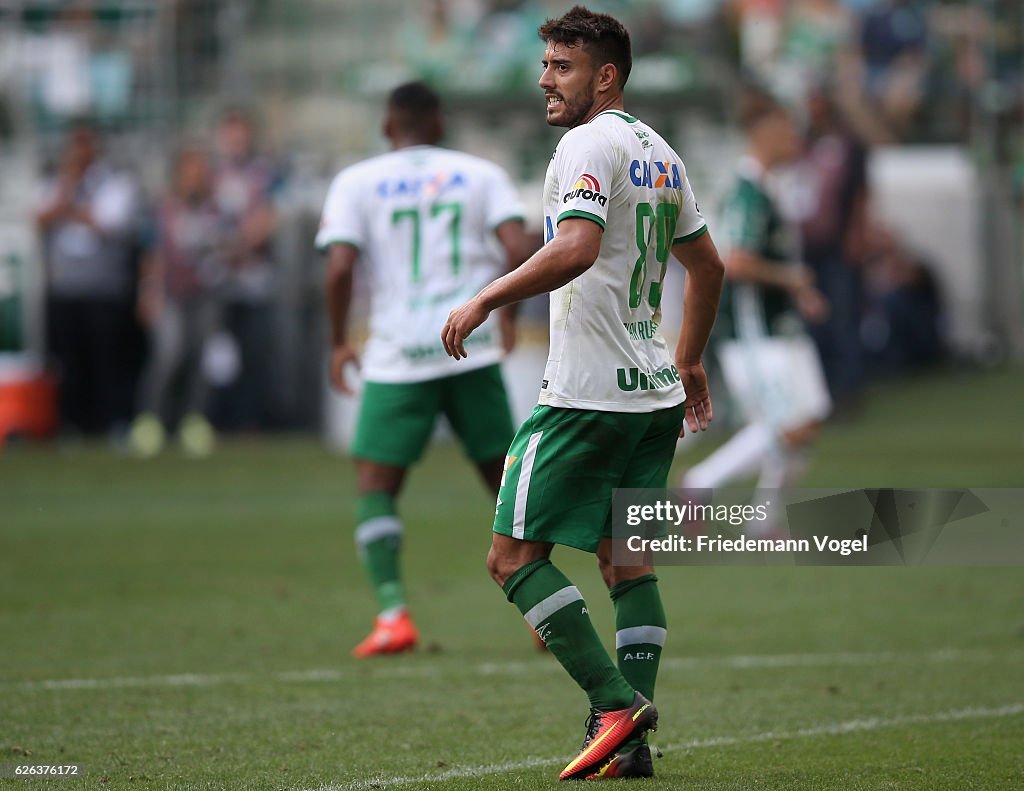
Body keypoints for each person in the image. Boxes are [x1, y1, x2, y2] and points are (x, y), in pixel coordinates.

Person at [441, 7, 724, 780]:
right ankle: (631, 748)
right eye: (545, 64)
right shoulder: (660, 150)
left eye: (561, 66)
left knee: (510, 557)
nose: (544, 79)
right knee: (626, 565)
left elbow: (577, 245)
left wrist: (486, 298)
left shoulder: (586, 143)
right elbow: (708, 267)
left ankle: (613, 703)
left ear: (605, 76)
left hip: (585, 397)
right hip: (653, 396)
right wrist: (689, 359)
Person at [316, 81, 533, 658]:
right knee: (505, 484)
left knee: (376, 486)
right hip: (471, 343)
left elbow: (339, 268)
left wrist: (339, 341)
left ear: (388, 126)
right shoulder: (480, 173)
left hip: (396, 354)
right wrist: (504, 311)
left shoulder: (355, 181)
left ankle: (393, 614)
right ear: (439, 124)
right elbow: (521, 245)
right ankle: (544, 614)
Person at [680, 96, 830, 523]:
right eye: (785, 132)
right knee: (786, 424)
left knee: (806, 420)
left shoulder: (768, 189)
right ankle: (702, 483)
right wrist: (792, 279)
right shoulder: (747, 192)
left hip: (779, 326)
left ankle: (763, 520)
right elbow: (738, 260)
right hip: (754, 330)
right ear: (762, 135)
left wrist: (798, 291)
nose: (793, 141)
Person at [34, 121, 142, 438]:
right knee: (69, 362)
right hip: (66, 288)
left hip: (104, 290)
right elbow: (40, 217)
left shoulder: (114, 183)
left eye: (86, 144)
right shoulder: (54, 182)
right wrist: (67, 192)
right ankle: (72, 424)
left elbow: (110, 223)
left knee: (107, 361)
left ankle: (113, 422)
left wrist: (72, 208)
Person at [131, 145, 227, 457]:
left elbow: (227, 249)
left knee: (201, 359)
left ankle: (193, 421)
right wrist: (149, 291)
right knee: (169, 354)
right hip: (171, 293)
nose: (195, 178)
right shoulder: (164, 209)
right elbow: (151, 253)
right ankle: (151, 420)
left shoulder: (215, 210)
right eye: (190, 171)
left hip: (206, 293)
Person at [211, 108, 281, 430]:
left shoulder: (264, 173)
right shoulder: (215, 174)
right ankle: (219, 419)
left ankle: (251, 421)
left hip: (254, 278)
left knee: (255, 352)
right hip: (217, 279)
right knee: (220, 354)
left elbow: (269, 216)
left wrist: (238, 245)